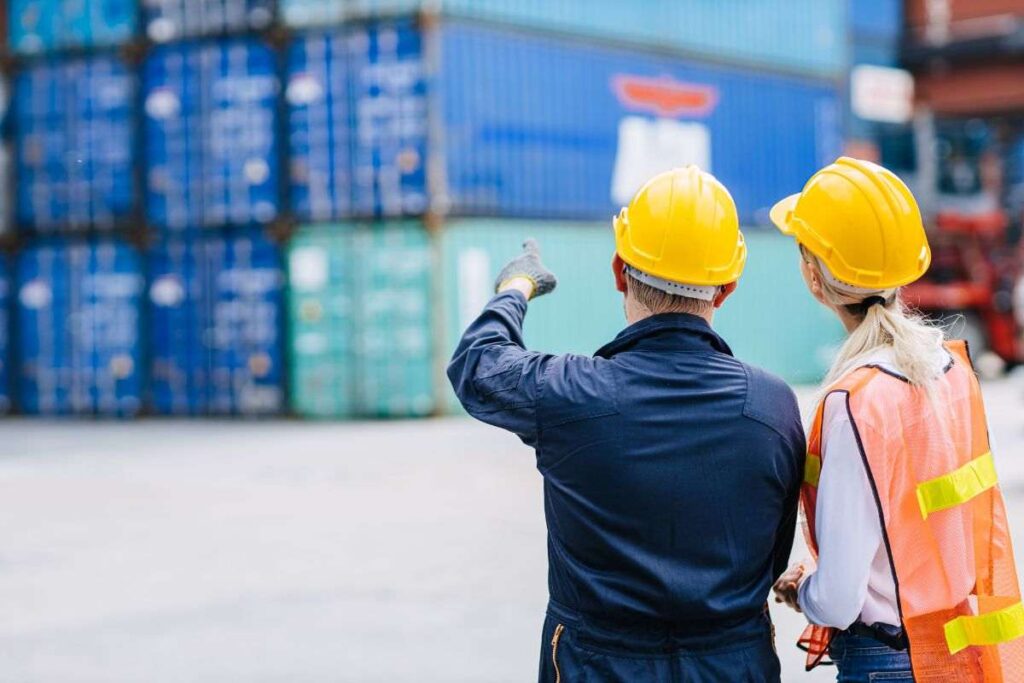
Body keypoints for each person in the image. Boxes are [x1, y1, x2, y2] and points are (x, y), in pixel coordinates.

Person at [448, 167, 805, 682]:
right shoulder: (771, 407)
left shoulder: (569, 393)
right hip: (733, 665)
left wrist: (516, 287)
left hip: (597, 667)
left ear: (619, 270)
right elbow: (772, 552)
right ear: (726, 288)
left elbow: (478, 365)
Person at [770, 157, 1024, 682]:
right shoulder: (952, 369)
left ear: (814, 276)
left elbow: (839, 602)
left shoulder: (854, 399)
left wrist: (804, 591)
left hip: (887, 662)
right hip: (954, 658)